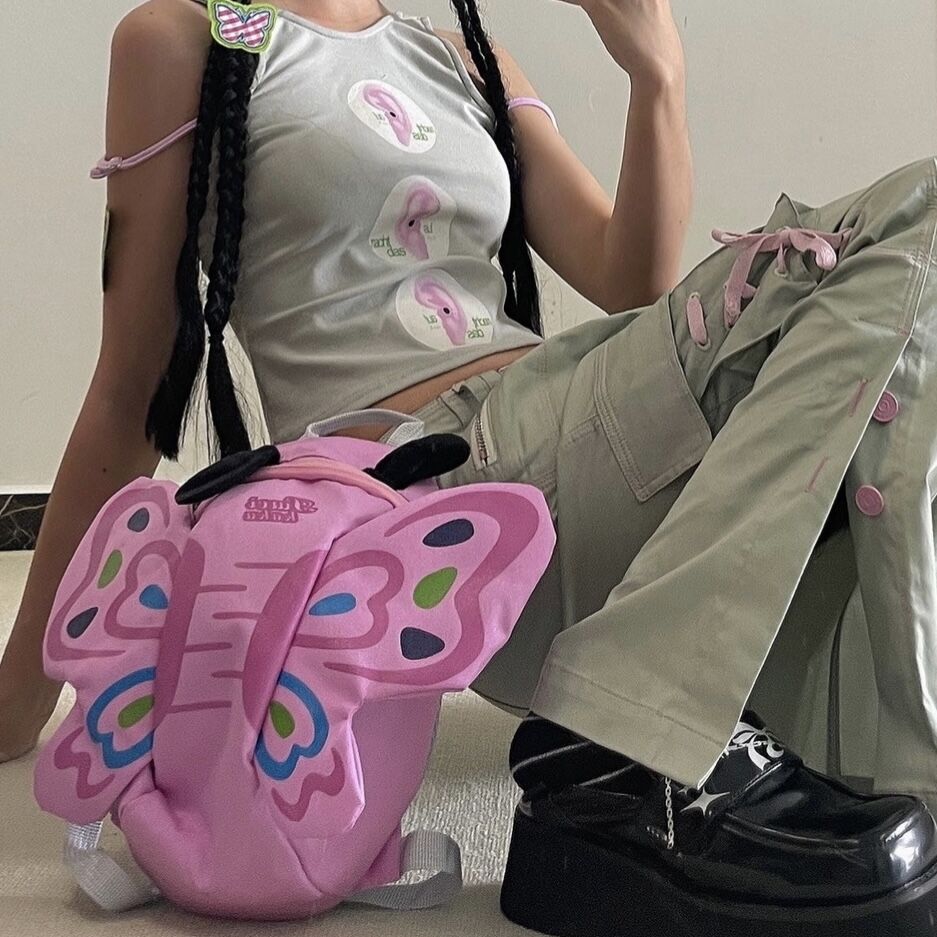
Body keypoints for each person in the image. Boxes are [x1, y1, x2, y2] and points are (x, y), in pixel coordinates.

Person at [3, 0, 937, 932]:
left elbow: (630, 280)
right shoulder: (187, 39)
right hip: (428, 498)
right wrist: (19, 695)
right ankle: (629, 733)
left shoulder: (462, 57)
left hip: (571, 445)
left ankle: (839, 746)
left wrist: (656, 78)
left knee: (888, 344)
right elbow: (131, 392)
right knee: (920, 210)